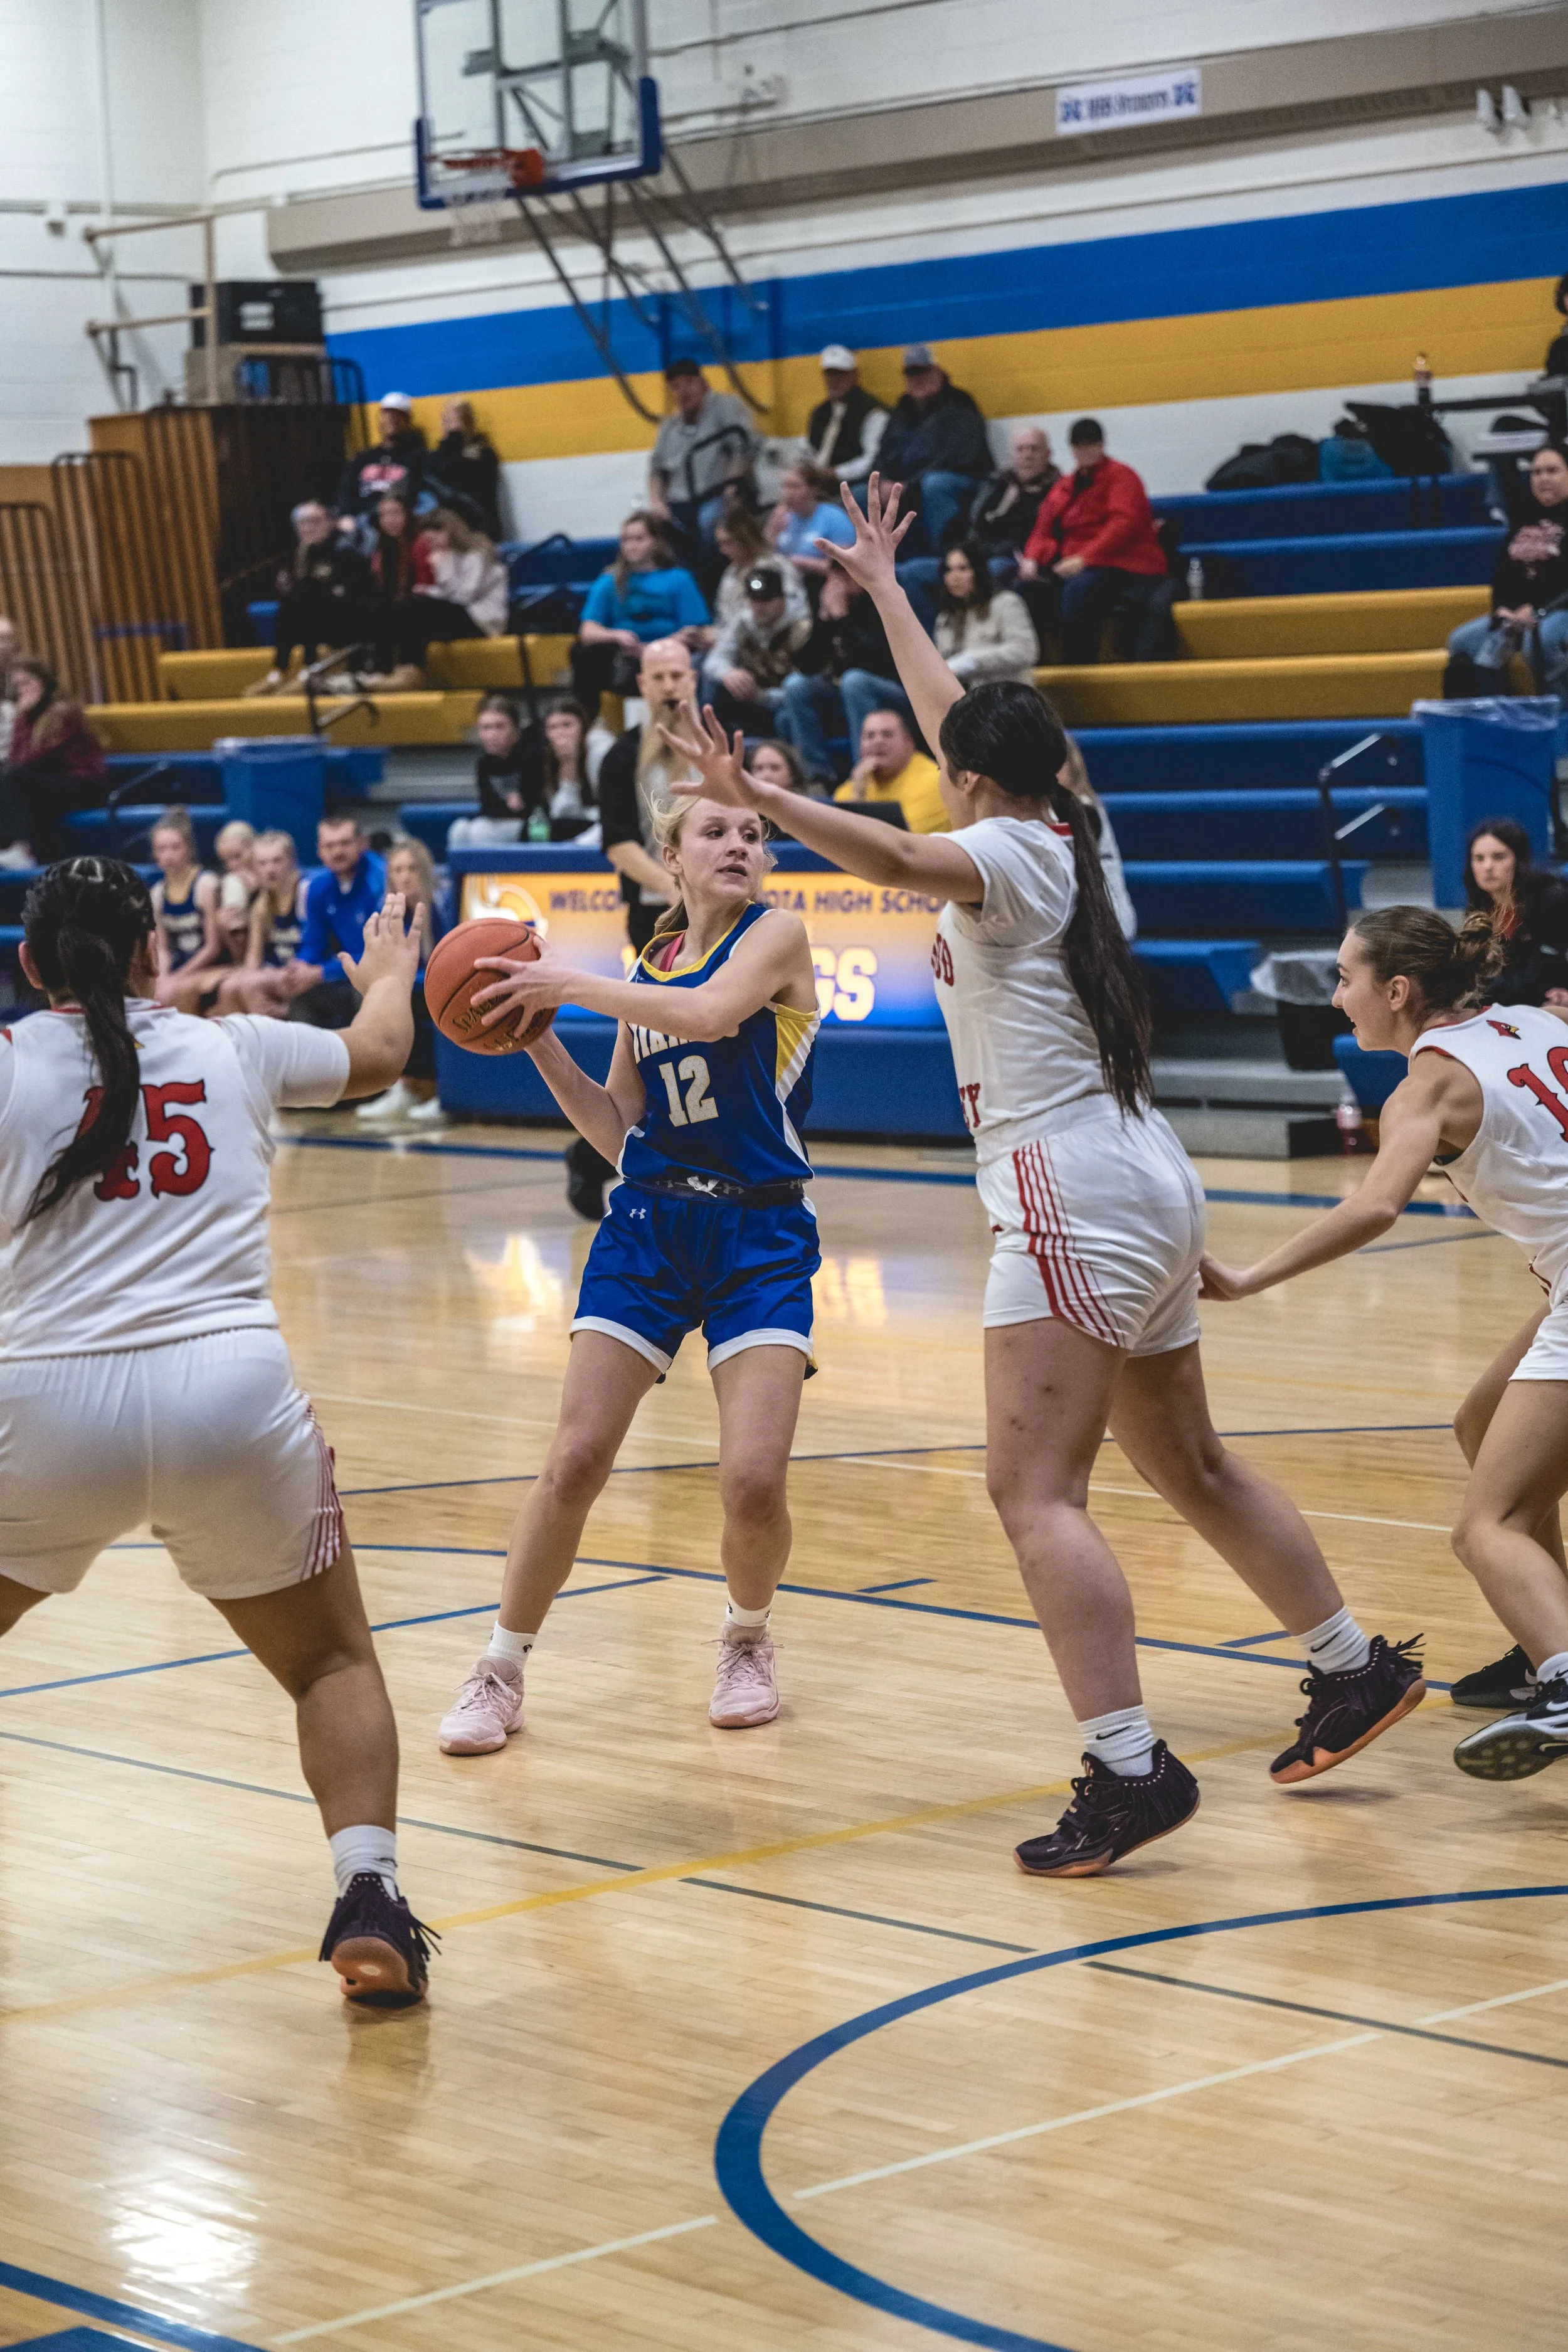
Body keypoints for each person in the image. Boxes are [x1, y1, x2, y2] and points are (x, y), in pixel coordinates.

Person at [662, 477, 1424, 1875]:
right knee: (1184, 1460)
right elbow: (965, 726)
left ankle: (1124, 1769)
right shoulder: (1051, 820)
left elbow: (892, 848)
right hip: (1138, 1168)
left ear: (969, 776)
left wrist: (758, 789)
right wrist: (890, 592)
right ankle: (1349, 1664)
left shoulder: (1002, 849)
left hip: (1068, 1186)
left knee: (1033, 1495)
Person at [0, 856, 434, 2002]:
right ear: (154, 949)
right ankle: (369, 1895)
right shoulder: (234, 1043)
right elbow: (381, 1055)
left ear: (31, 963)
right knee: (330, 1660)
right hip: (229, 1398)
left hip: (44, 1407)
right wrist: (391, 970)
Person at [435, 791, 822, 1755]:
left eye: (753, 833)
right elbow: (618, 1128)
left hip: (759, 1235)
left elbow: (708, 1011)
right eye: (716, 832)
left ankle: (746, 1637)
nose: (740, 844)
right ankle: (500, 1665)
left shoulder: (777, 937)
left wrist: (562, 980)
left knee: (753, 1482)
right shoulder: (650, 966)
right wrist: (539, 1041)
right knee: (573, 1459)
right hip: (651, 1226)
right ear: (672, 859)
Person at [1197, 903, 1568, 1788]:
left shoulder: (1426, 1086)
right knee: (1482, 1423)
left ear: (1396, 990)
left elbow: (1373, 1206)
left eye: (1345, 978)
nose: (1337, 998)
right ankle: (1544, 1636)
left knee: (1485, 1526)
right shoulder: (1536, 1019)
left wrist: (1250, 1277)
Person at [1017, 419, 1169, 665]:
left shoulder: (1122, 477)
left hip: (1120, 563)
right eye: (1080, 446)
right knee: (1024, 592)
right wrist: (1032, 559)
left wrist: (1085, 558)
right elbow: (1043, 528)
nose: (1085, 451)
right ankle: (1033, 667)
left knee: (1080, 590)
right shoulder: (1066, 486)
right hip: (1074, 565)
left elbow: (1124, 525)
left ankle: (1079, 665)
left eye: (1091, 445)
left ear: (1101, 445)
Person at [595, 638, 696, 956]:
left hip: (726, 908)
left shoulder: (720, 749)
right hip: (655, 912)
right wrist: (673, 889)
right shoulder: (622, 756)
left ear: (693, 680)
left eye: (677, 676)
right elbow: (618, 843)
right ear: (642, 684)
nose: (669, 687)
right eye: (658, 677)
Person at [1444, 443, 1568, 700]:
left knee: (1542, 641)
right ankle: (1500, 714)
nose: (1543, 478)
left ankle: (1559, 718)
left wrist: (1538, 611)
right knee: (1462, 641)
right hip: (1520, 613)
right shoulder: (1524, 517)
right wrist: (1503, 609)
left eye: (1552, 471)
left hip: (1560, 611)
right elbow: (1503, 574)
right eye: (1537, 472)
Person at [778, 563, 913, 788]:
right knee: (795, 685)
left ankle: (865, 770)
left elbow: (874, 661)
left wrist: (843, 617)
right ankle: (817, 776)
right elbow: (807, 665)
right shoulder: (834, 609)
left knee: (855, 680)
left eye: (845, 579)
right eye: (834, 580)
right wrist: (824, 620)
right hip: (844, 688)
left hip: (892, 687)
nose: (838, 587)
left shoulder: (882, 604)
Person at [571, 512, 709, 717]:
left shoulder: (678, 579)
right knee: (582, 653)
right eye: (627, 540)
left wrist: (653, 649)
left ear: (655, 542)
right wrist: (616, 636)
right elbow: (588, 630)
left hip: (669, 654)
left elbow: (693, 630)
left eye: (639, 539)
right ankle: (585, 721)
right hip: (625, 658)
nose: (632, 546)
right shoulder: (610, 580)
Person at [358, 839, 449, 1128]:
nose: (405, 876)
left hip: (441, 985)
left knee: (412, 1001)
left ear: (425, 872)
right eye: (398, 870)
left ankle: (443, 1092)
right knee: (384, 999)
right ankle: (404, 1087)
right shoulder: (388, 911)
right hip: (412, 987)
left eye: (412, 868)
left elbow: (444, 965)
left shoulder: (440, 906)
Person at [876, 344, 992, 554]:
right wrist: (883, 480)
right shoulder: (902, 410)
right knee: (861, 493)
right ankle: (871, 568)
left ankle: (949, 557)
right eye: (912, 374)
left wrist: (909, 485)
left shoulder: (960, 405)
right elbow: (884, 451)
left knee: (936, 485)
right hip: (908, 485)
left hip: (961, 481)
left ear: (938, 372)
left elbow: (958, 458)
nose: (917, 379)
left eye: (923, 372)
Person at [247, 502, 371, 696]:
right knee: (292, 601)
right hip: (309, 631)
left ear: (330, 523)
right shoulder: (295, 557)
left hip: (343, 628)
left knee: (306, 596)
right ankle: (280, 670)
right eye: (303, 522)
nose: (309, 527)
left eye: (315, 521)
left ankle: (307, 669)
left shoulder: (345, 552)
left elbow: (354, 596)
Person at [0, 659, 109, 868]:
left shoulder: (62, 712)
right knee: (10, 777)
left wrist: (21, 720)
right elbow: (17, 758)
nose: (24, 689)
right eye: (19, 685)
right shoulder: (28, 716)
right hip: (52, 783)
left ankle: (23, 849)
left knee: (12, 777)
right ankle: (11, 847)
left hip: (83, 785)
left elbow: (35, 759)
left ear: (44, 681)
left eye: (29, 682)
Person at [647, 358, 760, 556]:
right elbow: (657, 471)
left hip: (716, 494)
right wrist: (657, 502)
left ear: (703, 382)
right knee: (649, 529)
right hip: (678, 503)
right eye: (676, 387)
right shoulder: (669, 427)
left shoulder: (725, 407)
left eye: (689, 383)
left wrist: (733, 484)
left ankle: (712, 577)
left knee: (711, 521)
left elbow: (744, 450)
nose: (684, 392)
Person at [288, 815, 388, 1031]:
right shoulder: (318, 886)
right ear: (319, 851)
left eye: (345, 843)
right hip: (344, 972)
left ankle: (376, 1064)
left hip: (382, 974)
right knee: (299, 992)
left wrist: (321, 973)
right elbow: (313, 943)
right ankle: (310, 1064)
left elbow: (380, 955)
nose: (337, 852)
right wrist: (302, 966)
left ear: (362, 843)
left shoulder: (380, 880)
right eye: (330, 846)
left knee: (367, 989)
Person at [1463, 816, 1568, 1005]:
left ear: (1518, 860)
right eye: (1479, 859)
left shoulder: (1552, 899)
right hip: (1509, 1003)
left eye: (1499, 857)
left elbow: (1542, 970)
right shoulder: (1477, 910)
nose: (1487, 867)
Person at [704, 566, 813, 737]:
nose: (759, 606)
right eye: (754, 599)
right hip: (751, 696)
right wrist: (729, 673)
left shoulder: (802, 628)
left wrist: (763, 696)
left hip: (784, 701)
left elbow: (803, 690)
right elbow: (714, 661)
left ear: (782, 598)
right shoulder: (743, 622)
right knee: (714, 685)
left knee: (785, 716)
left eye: (766, 599)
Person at [398, 507, 510, 668]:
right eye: (429, 541)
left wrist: (440, 577)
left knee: (417, 608)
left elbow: (464, 596)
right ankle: (405, 669)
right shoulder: (447, 556)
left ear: (451, 531)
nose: (431, 543)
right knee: (408, 611)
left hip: (485, 621)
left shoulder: (478, 555)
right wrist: (428, 590)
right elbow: (448, 595)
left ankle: (408, 670)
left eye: (435, 536)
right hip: (464, 615)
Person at [216, 830, 312, 1017]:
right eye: (263, 863)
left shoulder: (305, 893)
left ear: (291, 861)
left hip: (300, 970)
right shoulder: (261, 904)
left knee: (250, 986)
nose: (270, 869)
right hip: (273, 972)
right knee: (228, 988)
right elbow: (253, 957)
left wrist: (250, 979)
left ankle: (271, 1041)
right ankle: (239, 1045)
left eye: (277, 861)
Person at [933, 540, 1040, 686]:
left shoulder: (1006, 603)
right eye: (948, 570)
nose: (954, 577)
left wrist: (971, 661)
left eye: (963, 569)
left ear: (978, 571)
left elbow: (1025, 651)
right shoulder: (945, 618)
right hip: (964, 701)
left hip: (1006, 699)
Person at [150, 810, 223, 1015]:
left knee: (173, 992)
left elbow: (212, 947)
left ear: (189, 848)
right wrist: (163, 976)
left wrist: (176, 978)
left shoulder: (205, 884)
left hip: (210, 965)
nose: (168, 855)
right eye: (162, 849)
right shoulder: (157, 893)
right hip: (179, 966)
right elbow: (164, 949)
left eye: (175, 847)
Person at [834, 706, 947, 834]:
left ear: (909, 742)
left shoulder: (933, 782)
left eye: (887, 735)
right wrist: (858, 794)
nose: (878, 741)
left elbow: (903, 846)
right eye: (870, 736)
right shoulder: (855, 786)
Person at [335, 391, 425, 530]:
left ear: (407, 422)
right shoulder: (364, 458)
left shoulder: (417, 458)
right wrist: (346, 515)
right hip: (360, 519)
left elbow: (416, 494)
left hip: (395, 520)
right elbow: (346, 489)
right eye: (386, 415)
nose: (391, 420)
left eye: (397, 416)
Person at [967, 426, 1061, 557]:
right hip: (985, 551)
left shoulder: (1059, 488)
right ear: (1012, 455)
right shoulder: (996, 483)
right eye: (1020, 450)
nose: (1027, 456)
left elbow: (1041, 532)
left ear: (1048, 454)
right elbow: (977, 521)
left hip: (1023, 556)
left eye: (1034, 449)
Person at [807, 345, 888, 486]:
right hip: (817, 484)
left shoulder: (873, 412)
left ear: (854, 375)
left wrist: (836, 473)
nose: (834, 380)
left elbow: (872, 459)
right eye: (830, 375)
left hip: (852, 484)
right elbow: (811, 449)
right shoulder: (820, 413)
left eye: (840, 374)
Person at [766, 461, 856, 581]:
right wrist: (773, 529)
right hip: (787, 582)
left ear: (813, 490)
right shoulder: (781, 517)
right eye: (785, 487)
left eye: (794, 487)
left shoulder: (833, 517)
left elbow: (845, 566)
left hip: (821, 581)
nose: (788, 493)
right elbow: (764, 557)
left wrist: (801, 563)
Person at [430, 396, 502, 539]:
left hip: (479, 529)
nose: (446, 424)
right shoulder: (438, 455)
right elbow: (438, 473)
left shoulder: (484, 454)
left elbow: (455, 473)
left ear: (467, 423)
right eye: (444, 419)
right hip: (448, 529)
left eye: (452, 420)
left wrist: (455, 437)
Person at [215, 820, 259, 966]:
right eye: (226, 860)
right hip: (241, 960)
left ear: (254, 848)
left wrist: (257, 891)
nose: (232, 865)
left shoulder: (272, 878)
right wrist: (225, 928)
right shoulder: (227, 884)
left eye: (237, 856)